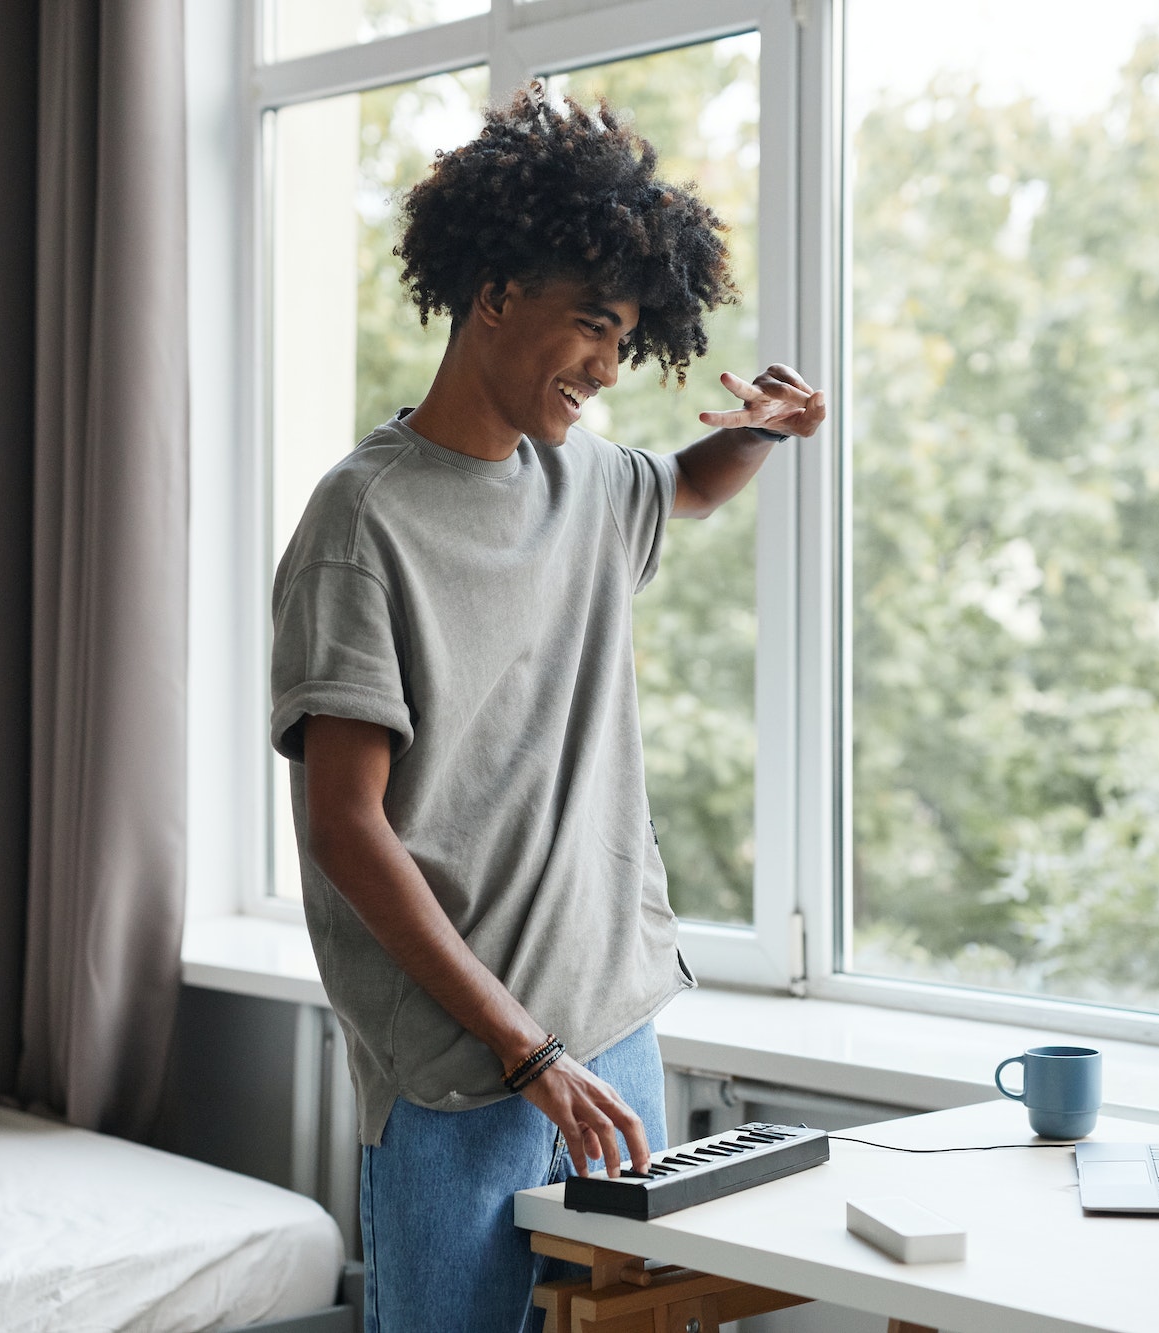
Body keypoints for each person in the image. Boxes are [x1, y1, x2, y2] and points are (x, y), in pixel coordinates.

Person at [268, 84, 825, 1333]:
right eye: (590, 326)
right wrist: (524, 1052)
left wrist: (769, 430)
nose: (608, 368)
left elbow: (683, 483)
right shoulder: (362, 522)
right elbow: (345, 827)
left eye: (627, 338)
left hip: (610, 1030)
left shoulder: (581, 482)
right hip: (467, 1075)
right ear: (492, 293)